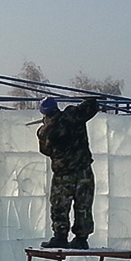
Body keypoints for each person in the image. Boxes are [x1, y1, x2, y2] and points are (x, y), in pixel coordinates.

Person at [37, 96, 101, 249]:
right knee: (83, 205)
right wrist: (87, 99)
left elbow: (45, 151)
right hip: (84, 171)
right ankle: (81, 238)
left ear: (44, 114)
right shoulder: (72, 116)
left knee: (60, 205)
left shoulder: (45, 131)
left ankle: (60, 236)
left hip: (63, 174)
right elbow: (92, 106)